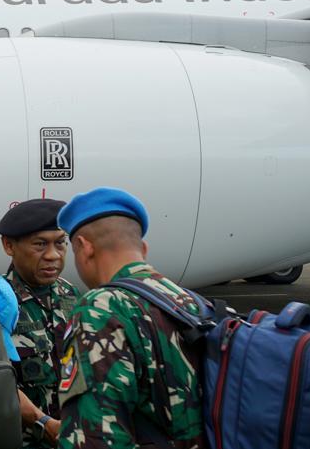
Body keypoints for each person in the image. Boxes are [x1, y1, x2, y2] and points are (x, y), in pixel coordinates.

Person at [50, 187, 207, 449]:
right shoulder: (189, 302)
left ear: (83, 247)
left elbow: (94, 438)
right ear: (143, 248)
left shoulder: (100, 309)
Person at [0, 199, 80, 448]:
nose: (53, 255)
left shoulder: (70, 294)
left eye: (60, 243)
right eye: (40, 244)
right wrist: (42, 422)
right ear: (9, 245)